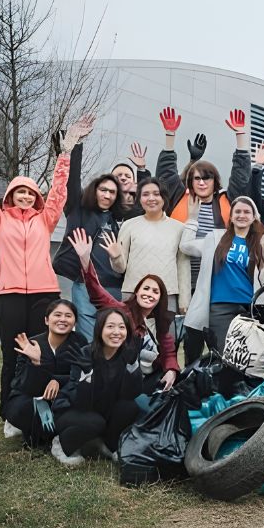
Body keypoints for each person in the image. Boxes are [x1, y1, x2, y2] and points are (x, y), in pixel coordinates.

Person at [0, 117, 93, 417]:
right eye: (21, 192)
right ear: (12, 196)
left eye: (31, 193)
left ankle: (47, 405)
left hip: (45, 295)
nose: (27, 196)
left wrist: (65, 152)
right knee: (13, 354)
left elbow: (59, 191)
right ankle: (10, 410)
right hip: (9, 297)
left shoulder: (45, 219)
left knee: (44, 353)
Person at [156, 107, 253, 361]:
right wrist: (169, 137)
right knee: (189, 342)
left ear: (214, 181)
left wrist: (241, 137)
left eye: (207, 178)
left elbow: (242, 178)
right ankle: (187, 382)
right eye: (197, 178)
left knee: (221, 343)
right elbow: (166, 174)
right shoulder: (180, 198)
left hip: (217, 282)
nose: (201, 182)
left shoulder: (226, 201)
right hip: (184, 278)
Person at [68, 228, 179, 394]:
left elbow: (168, 351)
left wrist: (171, 370)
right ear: (137, 292)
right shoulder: (121, 310)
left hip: (145, 377)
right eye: (146, 289)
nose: (149, 294)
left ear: (160, 298)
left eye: (155, 292)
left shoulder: (161, 322)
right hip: (116, 381)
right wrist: (85, 260)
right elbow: (96, 291)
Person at [52, 126, 127, 340]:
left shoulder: (117, 219)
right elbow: (71, 181)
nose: (108, 195)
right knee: (88, 339)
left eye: (113, 192)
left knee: (111, 338)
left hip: (113, 286)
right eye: (103, 190)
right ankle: (88, 373)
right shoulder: (78, 210)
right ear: (94, 190)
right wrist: (74, 144)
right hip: (86, 285)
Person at [180, 196, 264, 358]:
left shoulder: (261, 244)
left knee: (246, 359)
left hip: (249, 308)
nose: (241, 215)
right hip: (220, 307)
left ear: (253, 217)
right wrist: (192, 220)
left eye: (246, 212)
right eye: (237, 211)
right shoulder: (215, 238)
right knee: (224, 356)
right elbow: (185, 246)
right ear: (230, 216)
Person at [51, 307, 143, 467]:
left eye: (122, 327)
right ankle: (62, 443)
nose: (116, 332)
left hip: (103, 407)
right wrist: (86, 377)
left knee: (130, 407)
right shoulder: (85, 354)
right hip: (73, 410)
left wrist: (133, 366)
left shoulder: (126, 355)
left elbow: (130, 394)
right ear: (99, 329)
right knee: (95, 422)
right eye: (110, 326)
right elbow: (79, 402)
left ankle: (108, 443)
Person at [3, 300, 87, 444]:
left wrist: (58, 380)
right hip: (32, 395)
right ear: (47, 320)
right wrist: (35, 363)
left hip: (64, 395)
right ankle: (30, 428)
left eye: (68, 316)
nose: (62, 319)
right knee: (21, 409)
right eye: (57, 315)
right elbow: (21, 384)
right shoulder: (32, 344)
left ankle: (47, 431)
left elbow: (83, 375)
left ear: (75, 322)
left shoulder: (79, 342)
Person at [106, 177, 191, 315]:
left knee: (165, 336)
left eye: (156, 194)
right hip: (133, 293)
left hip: (167, 294)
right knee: (132, 335)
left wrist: (184, 302)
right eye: (145, 194)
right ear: (139, 199)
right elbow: (120, 269)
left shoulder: (179, 228)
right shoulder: (129, 225)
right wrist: (115, 257)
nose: (151, 198)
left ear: (164, 197)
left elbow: (183, 267)